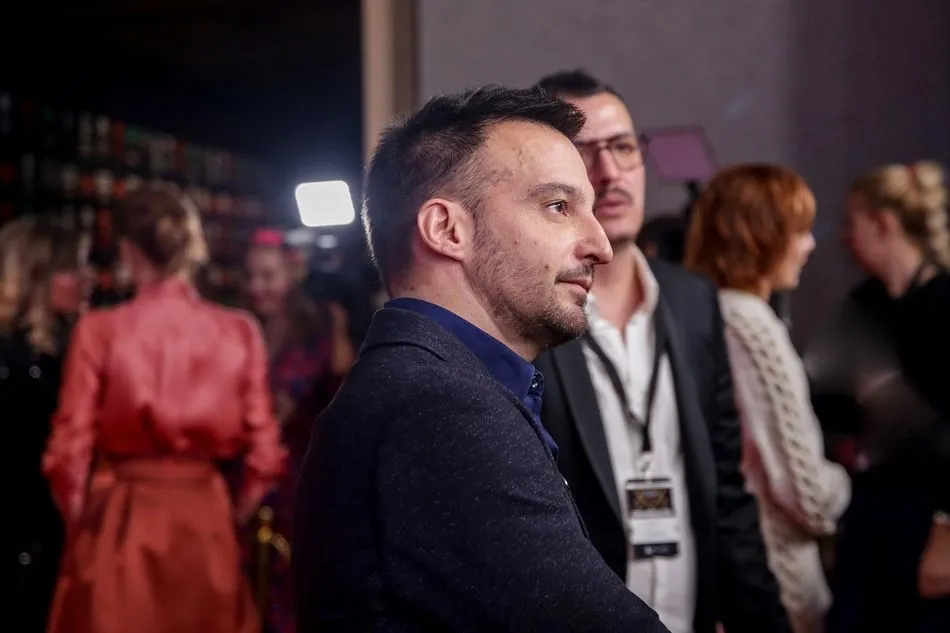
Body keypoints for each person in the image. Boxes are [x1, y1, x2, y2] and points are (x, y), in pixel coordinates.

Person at [293, 85, 669, 633]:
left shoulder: (428, 386)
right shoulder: (437, 408)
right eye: (558, 207)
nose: (600, 245)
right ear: (447, 229)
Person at [533, 69, 790, 633]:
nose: (610, 172)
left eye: (624, 147)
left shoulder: (694, 301)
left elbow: (726, 493)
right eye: (583, 151)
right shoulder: (531, 316)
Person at [42, 188, 285, 633]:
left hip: (124, 521)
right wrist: (230, 515)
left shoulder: (99, 331)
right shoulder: (240, 331)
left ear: (128, 251)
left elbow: (67, 455)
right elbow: (265, 457)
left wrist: (87, 525)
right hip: (205, 519)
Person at [683, 164, 851, 632]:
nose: (809, 245)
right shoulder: (748, 323)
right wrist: (848, 481)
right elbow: (809, 496)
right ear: (758, 236)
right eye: (798, 231)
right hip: (779, 585)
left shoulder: (706, 312)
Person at [820, 160, 950, 633]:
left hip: (928, 516)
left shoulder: (944, 301)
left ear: (883, 224)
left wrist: (946, 535)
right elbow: (829, 404)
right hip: (869, 508)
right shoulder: (863, 303)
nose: (843, 237)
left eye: (850, 222)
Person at [242, 227, 355, 633]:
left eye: (267, 276)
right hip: (252, 472)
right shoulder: (246, 325)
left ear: (292, 274)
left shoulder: (316, 326)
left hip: (297, 477)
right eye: (251, 276)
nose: (256, 287)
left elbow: (280, 409)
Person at [1, 218, 91, 633]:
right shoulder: (10, 356)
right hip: (20, 530)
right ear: (37, 276)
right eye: (72, 268)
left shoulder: (65, 346)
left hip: (50, 529)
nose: (87, 279)